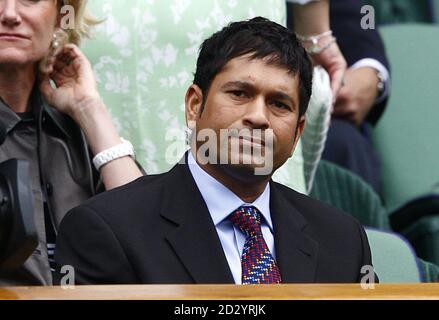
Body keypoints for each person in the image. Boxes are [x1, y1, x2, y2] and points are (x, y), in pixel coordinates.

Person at [54, 17, 374, 285]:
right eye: (239, 93)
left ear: (297, 133)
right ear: (195, 106)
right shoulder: (107, 228)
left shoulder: (343, 239)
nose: (258, 117)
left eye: (279, 104)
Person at [0, 0, 142, 286]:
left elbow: (146, 236)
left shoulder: (77, 130)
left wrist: (90, 108)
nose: (10, 14)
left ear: (60, 16)